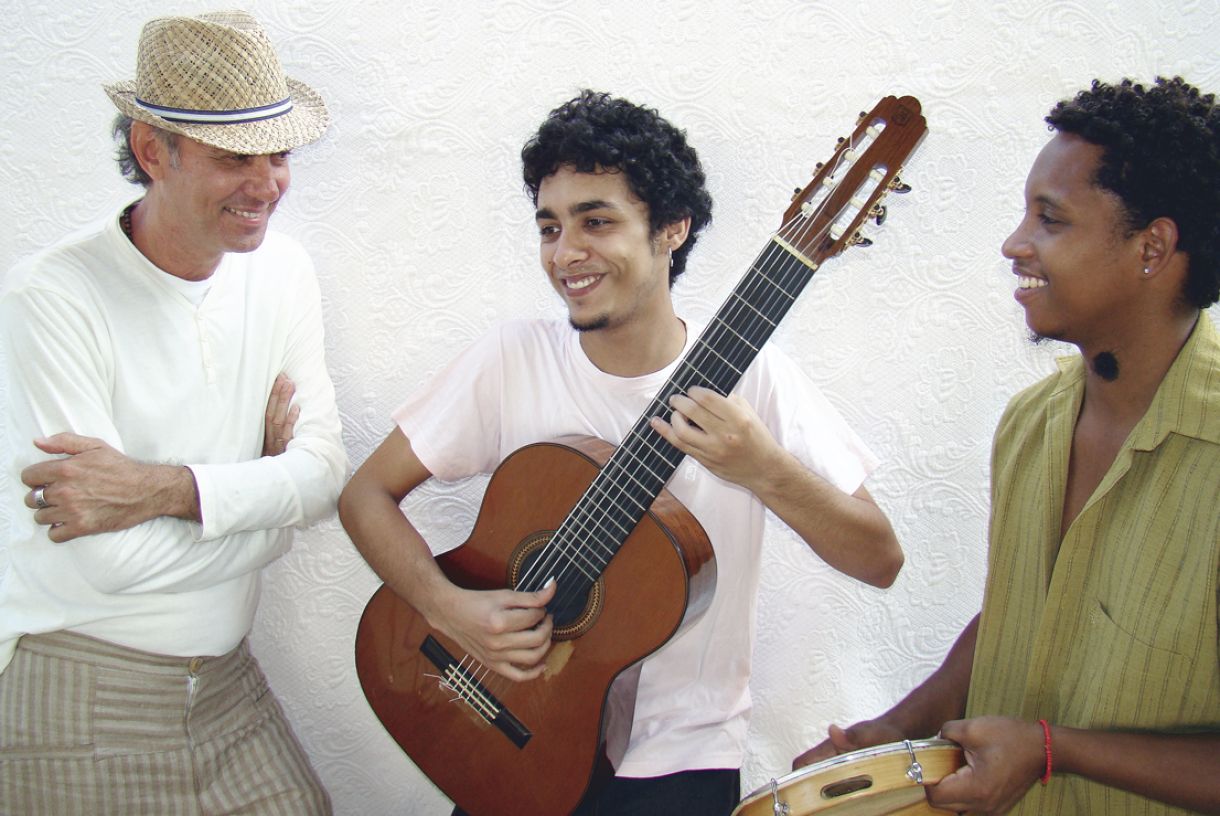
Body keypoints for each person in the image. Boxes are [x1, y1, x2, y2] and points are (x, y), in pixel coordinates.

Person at [339, 89, 902, 815]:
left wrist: (765, 469)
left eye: (596, 221)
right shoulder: (513, 360)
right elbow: (364, 496)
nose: (566, 253)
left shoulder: (754, 378)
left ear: (672, 228)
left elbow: (880, 559)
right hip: (510, 734)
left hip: (682, 760)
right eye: (549, 227)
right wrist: (447, 608)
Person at [794, 76, 1220, 815]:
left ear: (1152, 248)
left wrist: (1054, 752)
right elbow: (1020, 612)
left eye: (1049, 220)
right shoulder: (1031, 421)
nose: (1013, 243)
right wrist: (898, 727)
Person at [0, 11, 346, 815]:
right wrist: (270, 509)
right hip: (81, 684)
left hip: (226, 684)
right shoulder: (51, 298)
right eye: (235, 158)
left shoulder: (284, 272)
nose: (267, 185)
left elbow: (326, 476)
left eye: (279, 153)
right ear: (155, 151)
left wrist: (164, 492)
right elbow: (106, 566)